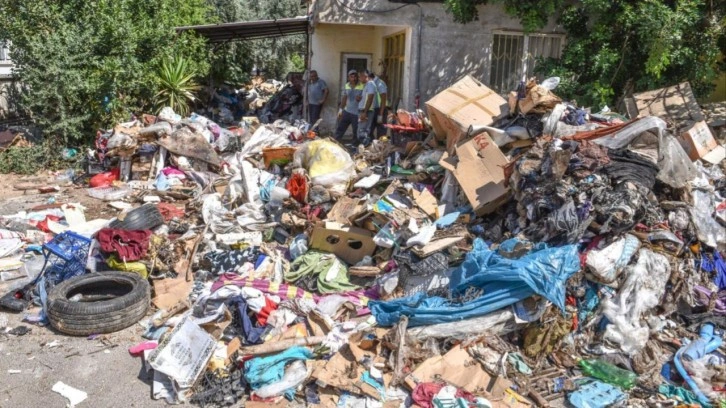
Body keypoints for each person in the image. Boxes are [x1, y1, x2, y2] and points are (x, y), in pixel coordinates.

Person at [335, 70, 364, 142]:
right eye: (351, 77)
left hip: (357, 113)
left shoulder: (362, 86)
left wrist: (361, 98)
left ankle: (355, 145)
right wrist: (340, 110)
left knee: (356, 131)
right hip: (347, 111)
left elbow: (366, 97)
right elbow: (344, 98)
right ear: (348, 78)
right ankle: (335, 141)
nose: (354, 79)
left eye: (355, 77)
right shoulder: (347, 85)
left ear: (357, 77)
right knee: (340, 128)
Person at [357, 70, 378, 146]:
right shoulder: (366, 85)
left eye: (360, 77)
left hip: (367, 111)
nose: (359, 79)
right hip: (364, 110)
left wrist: (365, 112)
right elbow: (367, 98)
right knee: (362, 131)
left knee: (363, 132)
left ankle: (364, 149)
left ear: (365, 76)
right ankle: (364, 149)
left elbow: (370, 97)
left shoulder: (370, 84)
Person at [369, 71, 388, 138]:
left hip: (380, 109)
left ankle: (381, 147)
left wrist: (380, 114)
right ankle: (373, 145)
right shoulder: (371, 83)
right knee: (369, 130)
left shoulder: (380, 84)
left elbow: (383, 99)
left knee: (381, 132)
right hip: (373, 109)